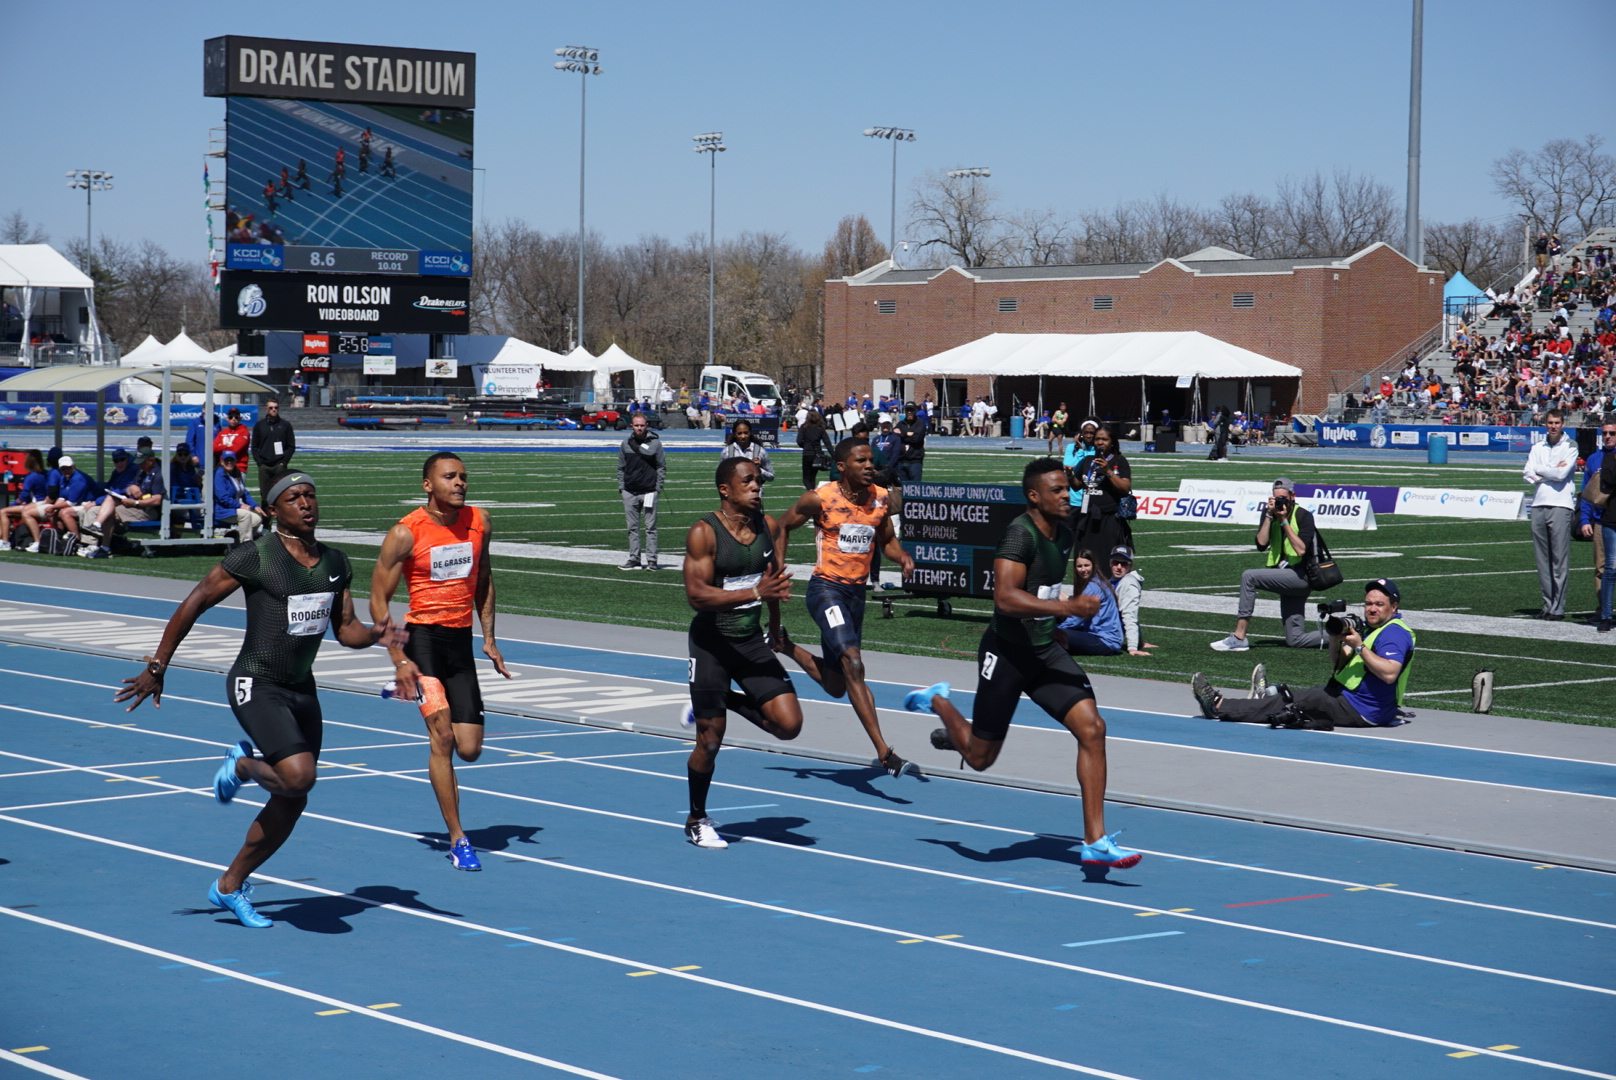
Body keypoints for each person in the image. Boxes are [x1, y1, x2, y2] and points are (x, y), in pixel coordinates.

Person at [113, 472, 401, 927]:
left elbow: (345, 629)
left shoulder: (335, 561)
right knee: (299, 776)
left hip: (302, 690)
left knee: (293, 797)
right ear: (272, 510)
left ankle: (228, 886)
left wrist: (375, 635)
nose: (306, 503)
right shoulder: (257, 556)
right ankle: (244, 765)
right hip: (256, 682)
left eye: (311, 494)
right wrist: (157, 666)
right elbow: (196, 601)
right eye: (294, 497)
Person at [902, 458, 1141, 870]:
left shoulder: (1065, 535)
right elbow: (1006, 598)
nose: (1067, 495)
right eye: (1058, 490)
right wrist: (1065, 605)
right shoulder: (1019, 535)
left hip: (1045, 652)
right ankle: (938, 700)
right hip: (1007, 653)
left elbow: (1043, 589)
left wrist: (1057, 622)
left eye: (1068, 489)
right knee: (979, 758)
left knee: (1093, 728)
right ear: (1034, 496)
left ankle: (1095, 840)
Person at [370, 452, 512, 871]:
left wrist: (489, 638)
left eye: (464, 477)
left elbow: (484, 579)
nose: (460, 483)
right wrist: (398, 658)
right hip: (422, 641)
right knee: (443, 738)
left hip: (459, 643)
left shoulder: (479, 521)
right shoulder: (406, 533)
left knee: (470, 749)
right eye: (450, 477)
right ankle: (458, 838)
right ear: (427, 485)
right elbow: (378, 598)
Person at [679, 458, 804, 849]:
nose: (757, 487)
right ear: (725, 490)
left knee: (788, 725)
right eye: (747, 481)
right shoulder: (705, 533)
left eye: (759, 481)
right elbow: (697, 595)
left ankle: (718, 700)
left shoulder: (767, 527)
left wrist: (775, 624)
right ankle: (697, 818)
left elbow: (774, 580)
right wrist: (753, 595)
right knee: (710, 741)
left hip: (750, 640)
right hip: (711, 643)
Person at [775, 439, 916, 777]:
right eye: (861, 460)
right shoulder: (820, 499)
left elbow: (886, 541)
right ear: (842, 466)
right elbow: (781, 526)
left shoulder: (880, 498)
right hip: (826, 591)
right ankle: (885, 752)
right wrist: (778, 570)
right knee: (854, 663)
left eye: (872, 460)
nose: (870, 465)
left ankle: (783, 645)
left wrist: (903, 556)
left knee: (838, 684)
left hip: (856, 596)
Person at [1192, 578, 1415, 731]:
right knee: (1300, 697)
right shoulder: (1373, 628)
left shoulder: (1394, 633)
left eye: (1379, 604)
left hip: (1363, 709)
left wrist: (1359, 646)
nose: (1371, 609)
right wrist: (1336, 639)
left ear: (1393, 607)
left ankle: (1219, 706)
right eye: (1368, 603)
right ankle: (1267, 696)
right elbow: (1339, 663)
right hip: (1351, 699)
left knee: (1296, 702)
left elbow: (1389, 674)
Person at [1209, 477, 1322, 652]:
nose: (1280, 502)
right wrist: (1269, 517)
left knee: (1249, 576)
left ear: (1293, 496)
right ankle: (1342, 633)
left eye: (1283, 498)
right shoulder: (1269, 513)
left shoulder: (1304, 516)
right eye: (1276, 498)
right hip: (1285, 576)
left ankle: (1239, 636)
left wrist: (1284, 521)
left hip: (1301, 577)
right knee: (1295, 639)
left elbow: (1300, 550)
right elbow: (1261, 544)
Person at [1523, 410, 1581, 620]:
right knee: (1542, 560)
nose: (1553, 426)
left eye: (1557, 422)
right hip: (1538, 504)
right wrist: (1546, 471)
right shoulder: (1537, 446)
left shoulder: (1570, 446)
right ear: (1545, 424)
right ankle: (1547, 605)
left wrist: (1540, 470)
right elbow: (1527, 473)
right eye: (1550, 422)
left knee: (1559, 560)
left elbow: (1561, 474)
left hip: (1561, 505)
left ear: (1562, 424)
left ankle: (1558, 607)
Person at [77, 450, 165, 559]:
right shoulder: (141, 472)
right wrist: (131, 488)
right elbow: (130, 487)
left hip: (146, 510)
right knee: (106, 503)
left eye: (142, 462)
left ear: (151, 460)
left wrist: (136, 502)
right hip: (132, 506)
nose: (139, 465)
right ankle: (98, 532)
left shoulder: (157, 474)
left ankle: (100, 541)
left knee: (106, 510)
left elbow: (157, 500)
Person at [1071, 426, 1133, 562]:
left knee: (1105, 560)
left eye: (1104, 439)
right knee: (1084, 560)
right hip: (1087, 518)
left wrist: (1108, 471)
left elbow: (1125, 488)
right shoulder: (1087, 461)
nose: (1100, 442)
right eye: (1097, 439)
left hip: (1109, 519)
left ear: (1112, 442)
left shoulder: (1118, 460)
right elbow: (1076, 486)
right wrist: (1068, 474)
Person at [1579, 418, 1616, 632]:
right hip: (1603, 520)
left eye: (1612, 433)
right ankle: (1604, 611)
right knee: (1604, 567)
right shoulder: (1594, 459)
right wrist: (1585, 519)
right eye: (1606, 433)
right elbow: (1586, 492)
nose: (1609, 437)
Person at [617, 412, 666, 571]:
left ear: (647, 426)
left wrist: (657, 487)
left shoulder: (655, 443)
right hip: (630, 491)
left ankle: (652, 560)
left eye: (642, 425)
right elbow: (620, 467)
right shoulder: (625, 444)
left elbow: (661, 466)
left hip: (649, 491)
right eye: (636, 425)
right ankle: (634, 558)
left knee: (650, 528)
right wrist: (622, 487)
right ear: (632, 426)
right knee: (632, 528)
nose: (639, 428)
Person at [1056, 549, 1123, 657]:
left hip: (1105, 641)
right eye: (1079, 566)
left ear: (1094, 565)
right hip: (1102, 637)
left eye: (1086, 565)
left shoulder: (1093, 587)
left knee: (1053, 634)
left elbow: (1076, 620)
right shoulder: (1098, 582)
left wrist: (1057, 629)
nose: (1083, 569)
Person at [1108, 545, 1155, 656]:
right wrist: (1140, 642)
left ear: (1130, 565)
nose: (1118, 567)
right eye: (1115, 562)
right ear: (1110, 563)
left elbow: (1130, 615)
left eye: (1123, 563)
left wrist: (1133, 647)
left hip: (1110, 633)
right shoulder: (1115, 580)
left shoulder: (1129, 584)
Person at [0, 449, 48, 550]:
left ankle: (5, 541)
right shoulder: (46, 474)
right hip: (45, 502)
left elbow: (24, 497)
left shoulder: (31, 477)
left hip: (36, 504)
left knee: (3, 512)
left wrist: (13, 505)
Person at [251, 397, 297, 503]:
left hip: (279, 466)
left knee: (281, 494)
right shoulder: (259, 425)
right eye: (271, 407)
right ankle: (266, 519)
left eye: (276, 407)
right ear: (266, 409)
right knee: (265, 496)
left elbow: (291, 446)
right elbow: (254, 447)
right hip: (264, 466)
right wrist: (260, 463)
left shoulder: (285, 425)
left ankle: (280, 518)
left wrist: (283, 462)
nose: (273, 409)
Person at [214, 450, 267, 540]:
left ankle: (240, 538)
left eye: (231, 460)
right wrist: (240, 505)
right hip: (222, 511)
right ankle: (246, 545)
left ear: (235, 461)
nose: (229, 462)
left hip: (233, 509)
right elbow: (223, 498)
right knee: (245, 515)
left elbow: (244, 493)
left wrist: (254, 505)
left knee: (257, 518)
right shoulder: (219, 475)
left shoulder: (236, 473)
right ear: (222, 461)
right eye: (227, 460)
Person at [720, 418, 774, 488]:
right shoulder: (727, 452)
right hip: (735, 494)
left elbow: (771, 477)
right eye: (739, 433)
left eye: (746, 433)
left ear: (750, 433)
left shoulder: (760, 451)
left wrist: (758, 470)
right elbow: (720, 475)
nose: (743, 436)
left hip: (754, 494)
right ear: (734, 434)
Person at [1062, 420, 1098, 519]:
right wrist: (1080, 450)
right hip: (1074, 499)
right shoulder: (1071, 448)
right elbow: (1069, 466)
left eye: (1092, 433)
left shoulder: (1098, 450)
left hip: (1091, 499)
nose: (1089, 436)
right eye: (1086, 433)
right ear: (1081, 434)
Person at [796, 409, 834, 490]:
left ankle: (811, 492)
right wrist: (834, 455)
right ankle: (812, 492)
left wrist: (805, 446)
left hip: (807, 454)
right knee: (813, 476)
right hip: (817, 454)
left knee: (806, 478)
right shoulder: (820, 428)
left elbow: (799, 441)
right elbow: (827, 443)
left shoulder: (804, 427)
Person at [895, 402, 927, 483]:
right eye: (907, 410)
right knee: (901, 488)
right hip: (901, 460)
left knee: (915, 488)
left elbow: (916, 439)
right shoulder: (900, 424)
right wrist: (908, 434)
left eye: (911, 410)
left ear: (915, 411)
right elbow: (895, 435)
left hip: (915, 460)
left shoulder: (920, 424)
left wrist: (902, 434)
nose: (909, 412)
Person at [214, 409, 251, 473]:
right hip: (223, 467)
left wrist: (221, 446)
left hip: (238, 468)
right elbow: (214, 448)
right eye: (231, 417)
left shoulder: (244, 431)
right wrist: (228, 446)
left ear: (240, 418)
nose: (233, 419)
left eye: (236, 417)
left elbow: (235, 449)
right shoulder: (222, 432)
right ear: (227, 419)